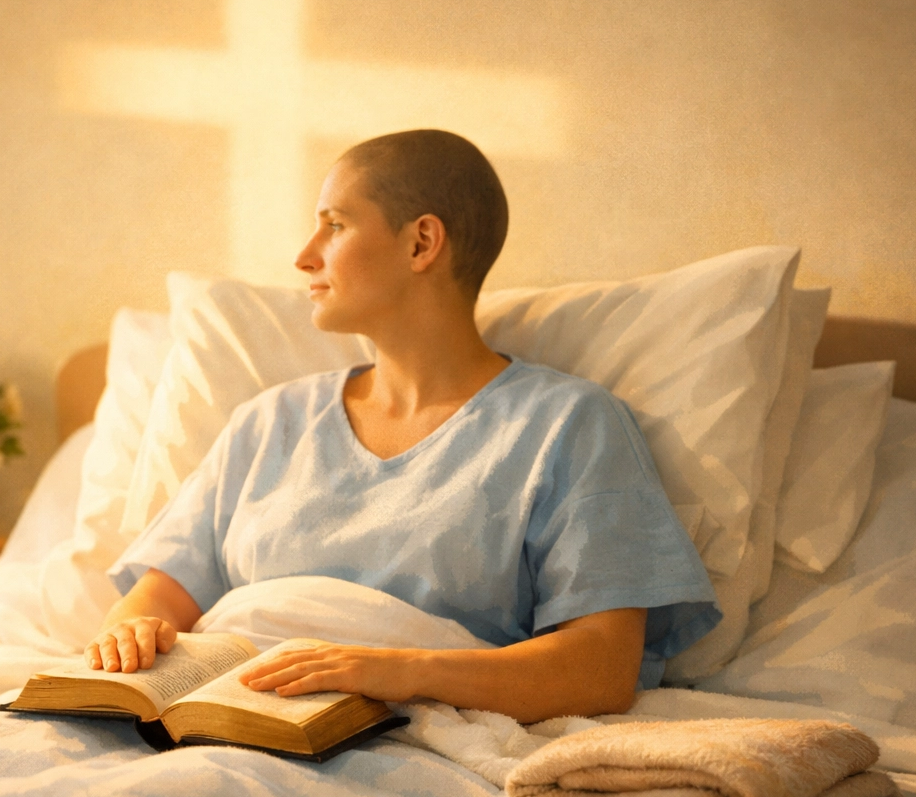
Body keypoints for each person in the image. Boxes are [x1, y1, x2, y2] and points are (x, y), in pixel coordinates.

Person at [86, 129, 721, 724]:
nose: (304, 257)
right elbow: (161, 593)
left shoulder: (568, 426)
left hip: (395, 740)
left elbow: (601, 668)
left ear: (421, 243)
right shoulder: (269, 421)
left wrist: (399, 672)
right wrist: (132, 630)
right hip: (218, 716)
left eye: (335, 225)